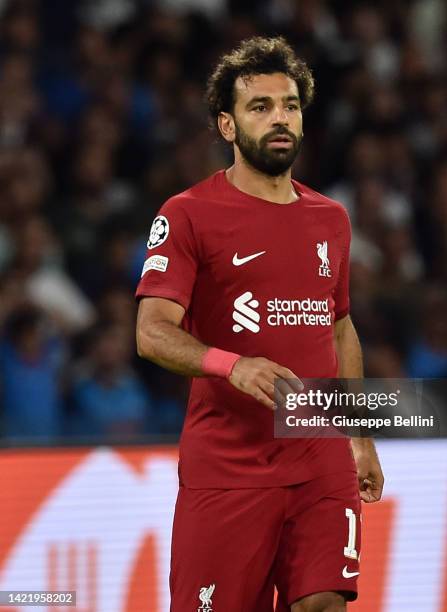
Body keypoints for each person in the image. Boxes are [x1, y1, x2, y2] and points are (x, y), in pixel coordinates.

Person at [135, 37, 384, 612]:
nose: (280, 118)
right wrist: (232, 365)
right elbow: (151, 331)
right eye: (260, 106)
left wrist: (358, 436)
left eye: (290, 105)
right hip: (229, 468)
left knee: (324, 603)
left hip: (319, 460)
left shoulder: (331, 218)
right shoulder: (187, 214)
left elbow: (340, 329)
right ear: (227, 126)